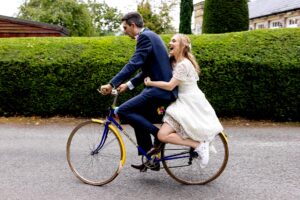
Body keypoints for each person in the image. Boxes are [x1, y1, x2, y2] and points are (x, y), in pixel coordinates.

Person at [100, 12, 177, 171]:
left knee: (124, 110)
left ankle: (159, 137)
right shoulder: (151, 36)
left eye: (125, 27)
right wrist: (128, 85)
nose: (124, 30)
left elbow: (133, 64)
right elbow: (146, 70)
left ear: (133, 25)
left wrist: (112, 83)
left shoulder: (145, 37)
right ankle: (151, 157)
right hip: (158, 89)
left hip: (159, 90)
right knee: (136, 115)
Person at [144, 34, 223, 168]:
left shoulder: (184, 65)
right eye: (170, 40)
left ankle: (198, 145)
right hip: (184, 100)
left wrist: (151, 83)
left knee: (162, 135)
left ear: (182, 46)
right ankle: (159, 149)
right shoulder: (174, 61)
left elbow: (170, 86)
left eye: (174, 41)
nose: (170, 42)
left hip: (189, 103)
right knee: (164, 131)